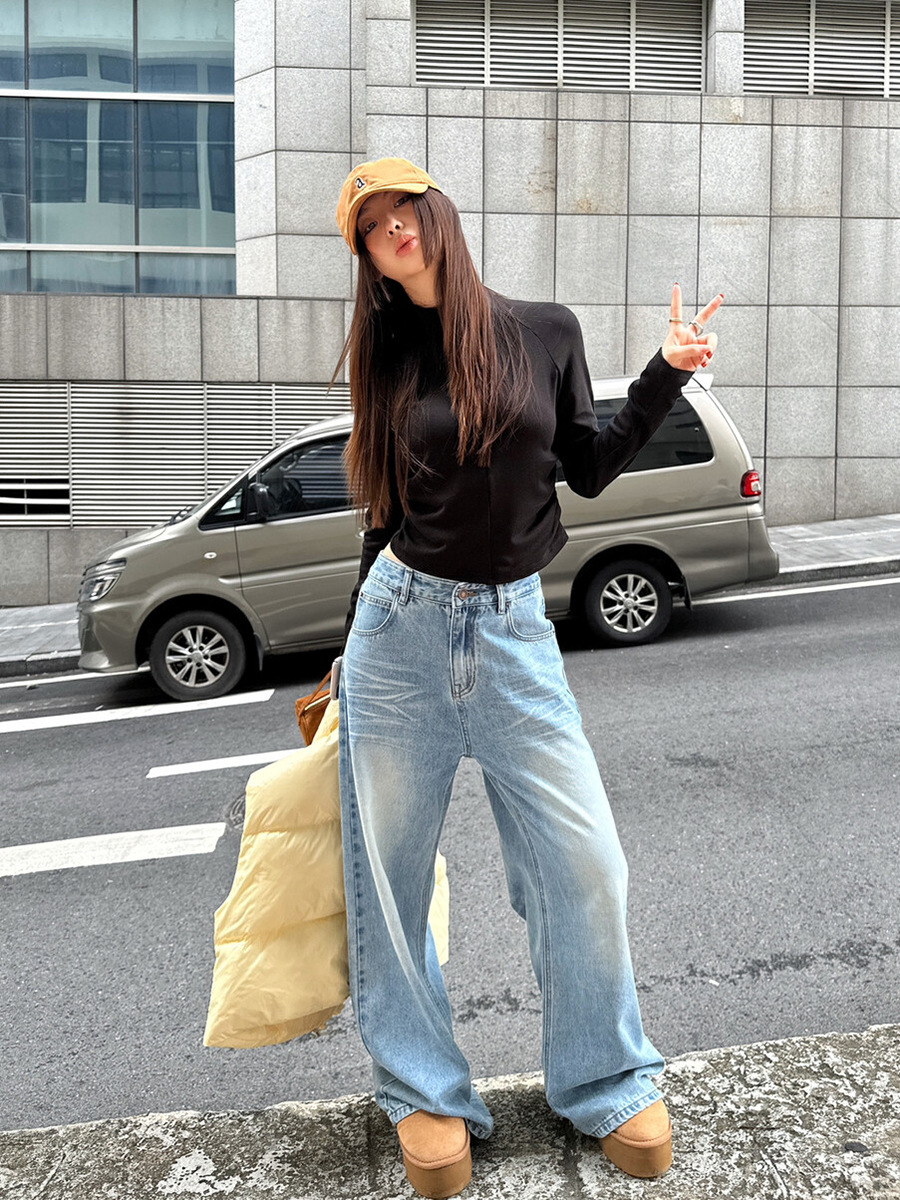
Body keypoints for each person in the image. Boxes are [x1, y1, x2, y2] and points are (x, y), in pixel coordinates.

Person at [333, 157, 721, 1199]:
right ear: (368, 257)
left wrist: (666, 371)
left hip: (513, 633)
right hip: (399, 633)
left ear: (439, 213)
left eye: (405, 207)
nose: (395, 227)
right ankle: (423, 1090)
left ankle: (604, 1078)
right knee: (389, 880)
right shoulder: (388, 354)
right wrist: (350, 643)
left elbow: (587, 467)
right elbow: (386, 512)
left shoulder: (545, 330)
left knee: (585, 863)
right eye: (373, 225)